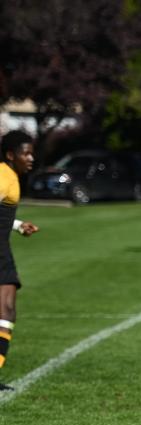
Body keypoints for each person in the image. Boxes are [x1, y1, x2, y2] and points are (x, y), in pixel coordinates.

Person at [0, 131, 39, 390]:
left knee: (6, 309)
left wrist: (16, 225)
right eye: (25, 153)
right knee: (7, 310)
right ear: (10, 155)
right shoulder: (5, 177)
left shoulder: (8, 175)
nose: (31, 158)